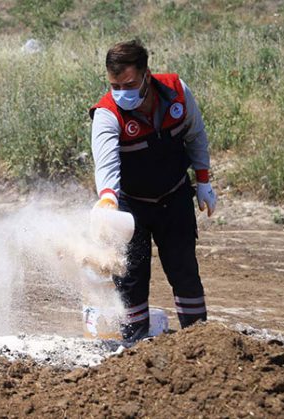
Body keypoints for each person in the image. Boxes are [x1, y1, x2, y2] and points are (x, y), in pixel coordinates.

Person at [89, 40, 217, 345]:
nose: (122, 92)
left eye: (129, 84)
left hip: (174, 197)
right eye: (115, 85)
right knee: (131, 278)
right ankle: (133, 346)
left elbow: (196, 135)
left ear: (147, 75)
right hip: (131, 207)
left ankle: (199, 340)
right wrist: (108, 197)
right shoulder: (108, 113)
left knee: (184, 269)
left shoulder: (177, 92)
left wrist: (204, 181)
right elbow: (106, 162)